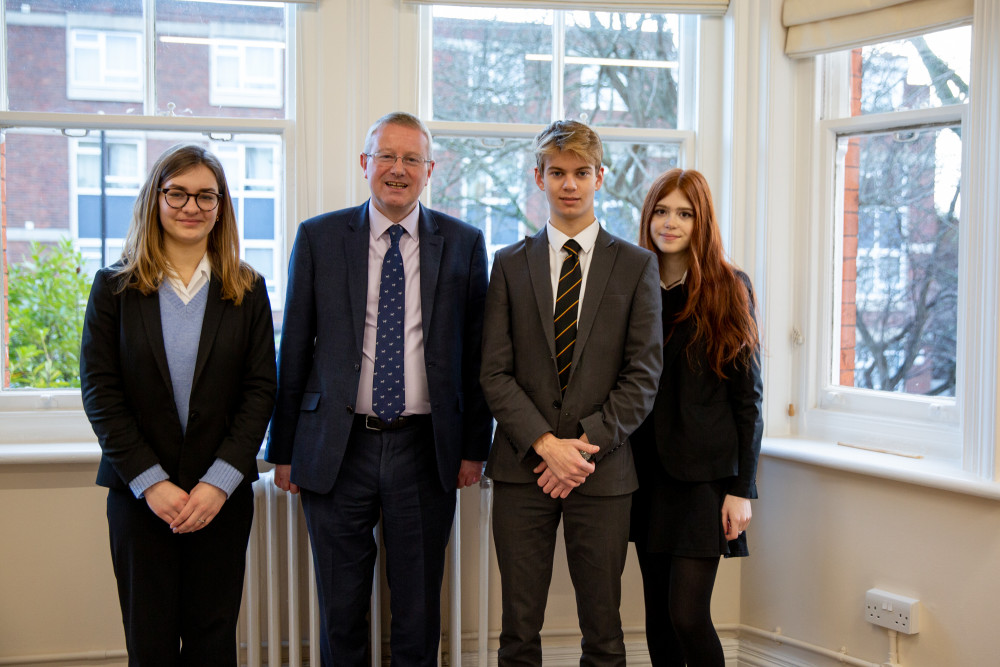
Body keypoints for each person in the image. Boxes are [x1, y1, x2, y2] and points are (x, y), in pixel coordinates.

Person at [265, 111, 492, 666]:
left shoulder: (463, 243)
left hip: (426, 446)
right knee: (340, 608)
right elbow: (293, 347)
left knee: (417, 609)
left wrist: (473, 448)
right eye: (386, 157)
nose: (398, 169)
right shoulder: (319, 237)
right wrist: (284, 450)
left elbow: (478, 355)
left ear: (429, 170)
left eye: (411, 159)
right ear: (365, 164)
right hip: (337, 449)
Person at [80, 143, 277, 664]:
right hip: (141, 499)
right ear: (155, 198)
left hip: (222, 501)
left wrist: (218, 484)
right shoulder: (114, 288)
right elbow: (101, 393)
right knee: (151, 644)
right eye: (178, 193)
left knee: (214, 643)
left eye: (206, 197)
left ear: (221, 206)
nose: (192, 207)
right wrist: (152, 483)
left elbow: (261, 393)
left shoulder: (248, 289)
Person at [480, 119, 663, 666]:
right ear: (539, 178)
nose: (569, 185)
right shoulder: (509, 265)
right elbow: (494, 372)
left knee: (604, 631)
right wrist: (545, 444)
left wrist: (581, 445)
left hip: (602, 472)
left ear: (600, 177)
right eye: (556, 173)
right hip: (522, 469)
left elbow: (643, 375)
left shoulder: (636, 266)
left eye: (581, 173)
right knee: (517, 632)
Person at [631, 168, 763, 667]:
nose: (670, 223)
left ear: (700, 220)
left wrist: (742, 489)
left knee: (688, 615)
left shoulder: (730, 287)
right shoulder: (631, 284)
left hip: (705, 481)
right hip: (643, 476)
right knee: (658, 622)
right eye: (662, 211)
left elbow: (748, 399)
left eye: (684, 213)